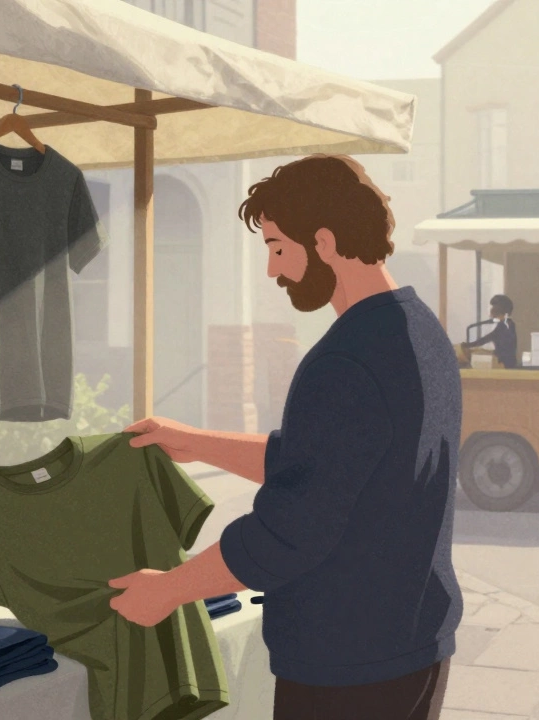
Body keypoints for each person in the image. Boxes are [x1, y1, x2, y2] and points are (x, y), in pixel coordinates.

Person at [108, 155, 463, 720]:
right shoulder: (419, 332)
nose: (273, 270)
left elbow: (290, 532)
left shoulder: (346, 362)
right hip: (412, 641)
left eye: (277, 247)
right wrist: (196, 442)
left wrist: (169, 590)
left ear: (323, 241)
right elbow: (328, 466)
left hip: (346, 667)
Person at [462, 294, 517, 368]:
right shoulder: (506, 324)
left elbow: (488, 338)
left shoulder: (505, 325)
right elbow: (489, 338)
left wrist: (469, 345)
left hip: (505, 365)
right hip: (504, 362)